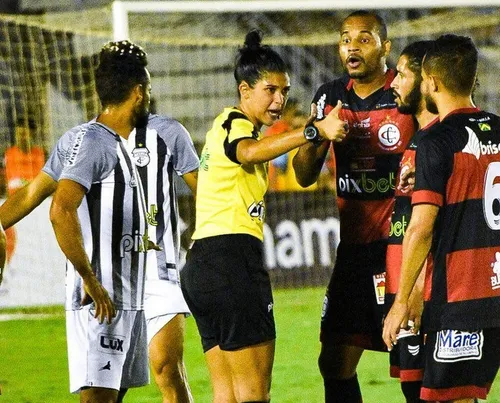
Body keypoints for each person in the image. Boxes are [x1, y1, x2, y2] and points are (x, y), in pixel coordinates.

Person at [0, 41, 199, 403]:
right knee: (104, 393)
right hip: (102, 288)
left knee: (156, 372)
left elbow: (204, 191)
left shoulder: (159, 135)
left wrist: (200, 238)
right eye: (149, 88)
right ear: (139, 92)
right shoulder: (85, 142)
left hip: (148, 277)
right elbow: (43, 200)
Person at [180, 29, 346, 403]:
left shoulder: (225, 126)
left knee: (227, 394)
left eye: (284, 91)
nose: (279, 99)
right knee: (255, 395)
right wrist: (313, 129)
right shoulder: (235, 124)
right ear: (244, 91)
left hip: (203, 265)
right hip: (230, 261)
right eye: (270, 90)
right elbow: (250, 152)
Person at [292, 10, 416, 402]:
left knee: (415, 364)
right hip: (354, 253)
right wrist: (318, 135)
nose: (352, 46)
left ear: (386, 46)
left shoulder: (407, 93)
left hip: (401, 249)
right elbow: (303, 175)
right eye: (346, 38)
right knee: (334, 362)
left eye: (364, 38)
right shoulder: (330, 97)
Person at [383, 34, 500, 403]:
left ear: (431, 82)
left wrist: (401, 301)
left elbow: (420, 228)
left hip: (463, 296)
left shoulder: (435, 140)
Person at [51, 40, 152, 401]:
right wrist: (90, 280)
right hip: (102, 302)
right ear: (139, 92)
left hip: (127, 300)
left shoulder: (118, 143)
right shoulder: (94, 142)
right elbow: (60, 209)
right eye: (149, 89)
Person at [385, 40, 438, 403]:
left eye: (402, 74)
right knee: (412, 388)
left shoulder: (437, 140)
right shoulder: (418, 138)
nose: (393, 82)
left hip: (425, 289)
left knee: (433, 391)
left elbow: (432, 225)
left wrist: (413, 293)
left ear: (424, 81)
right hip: (407, 281)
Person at [3, 116, 45, 262]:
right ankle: (8, 264)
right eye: (19, 133)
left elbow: (40, 181)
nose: (21, 137)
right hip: (13, 201)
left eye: (25, 133)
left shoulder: (39, 153)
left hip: (35, 202)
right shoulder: (9, 153)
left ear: (31, 134)